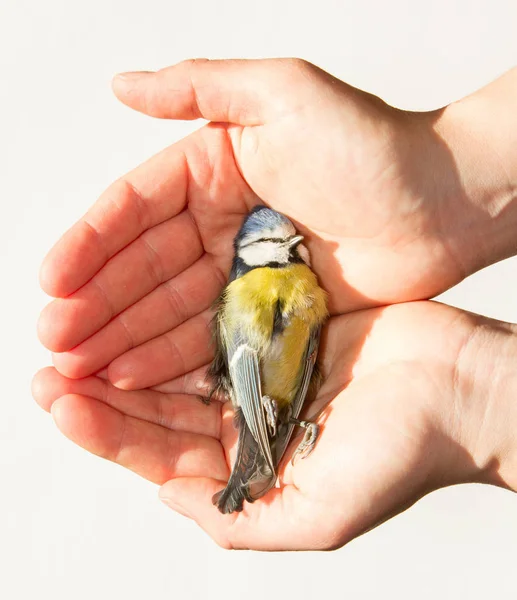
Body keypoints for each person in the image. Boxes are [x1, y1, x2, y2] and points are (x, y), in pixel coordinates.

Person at [32, 59, 517, 550]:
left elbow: (306, 355)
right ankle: (255, 460)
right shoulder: (247, 291)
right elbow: (247, 365)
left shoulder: (307, 283)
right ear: (252, 254)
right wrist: (470, 397)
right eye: (277, 244)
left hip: (275, 396)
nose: (293, 246)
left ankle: (257, 456)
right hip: (258, 394)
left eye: (292, 240)